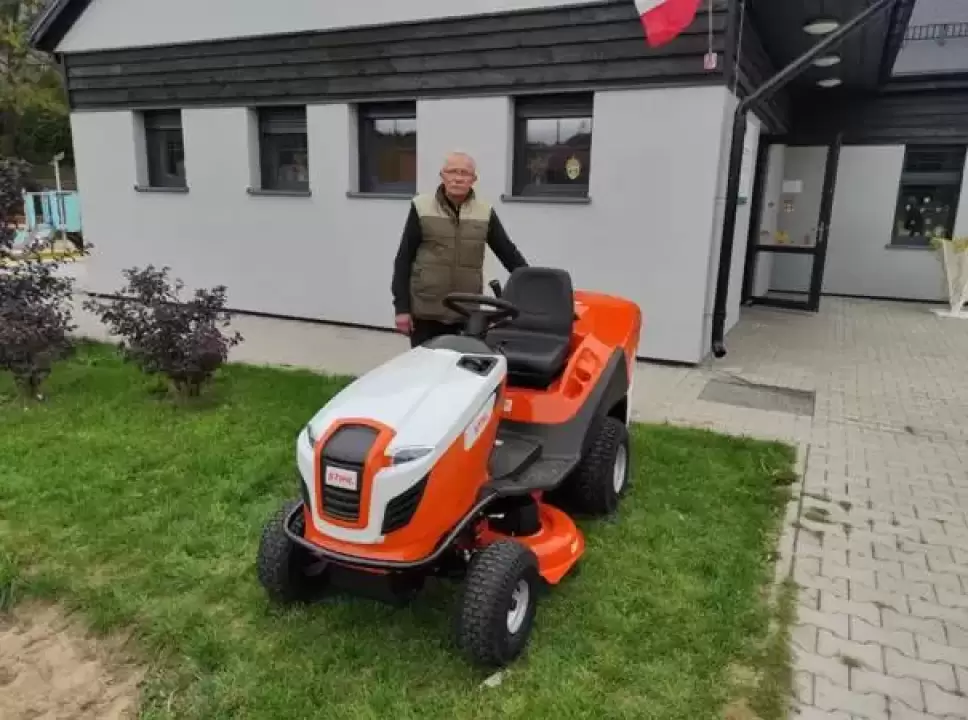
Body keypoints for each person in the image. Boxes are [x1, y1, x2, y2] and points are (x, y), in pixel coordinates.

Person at [391, 151, 528, 348]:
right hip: (426, 311)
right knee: (426, 365)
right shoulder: (422, 207)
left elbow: (508, 253)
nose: (458, 178)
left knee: (463, 365)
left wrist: (534, 283)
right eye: (452, 171)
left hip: (466, 312)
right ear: (442, 175)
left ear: (473, 179)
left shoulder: (484, 212)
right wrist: (401, 308)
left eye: (464, 173)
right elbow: (404, 259)